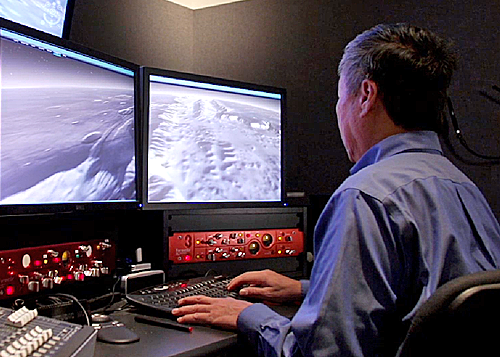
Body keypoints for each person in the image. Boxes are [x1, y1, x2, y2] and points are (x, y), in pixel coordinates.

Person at [171, 23, 500, 357]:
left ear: (366, 95)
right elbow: (425, 298)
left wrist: (249, 316)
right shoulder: (461, 186)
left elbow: (320, 353)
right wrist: (304, 290)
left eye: (341, 96)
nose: (339, 110)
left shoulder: (365, 196)